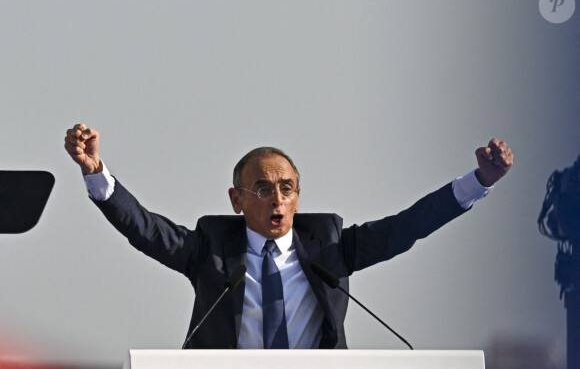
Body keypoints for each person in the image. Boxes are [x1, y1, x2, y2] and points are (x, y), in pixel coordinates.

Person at [64, 123, 513, 349]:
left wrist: (479, 180)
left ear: (298, 196)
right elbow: (145, 229)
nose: (276, 200)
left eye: (286, 188)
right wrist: (95, 173)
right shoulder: (210, 247)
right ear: (236, 200)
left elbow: (407, 226)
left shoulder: (331, 245)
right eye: (262, 189)